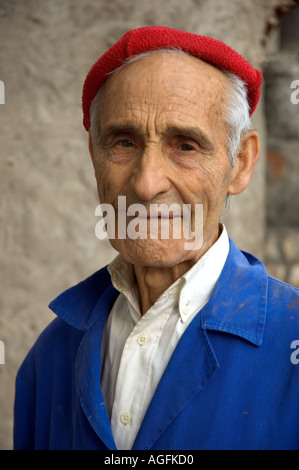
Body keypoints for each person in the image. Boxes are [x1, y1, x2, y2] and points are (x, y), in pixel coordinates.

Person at [14, 26, 299, 450]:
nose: (146, 185)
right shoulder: (50, 356)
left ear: (240, 163)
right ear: (95, 157)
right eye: (123, 142)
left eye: (185, 146)